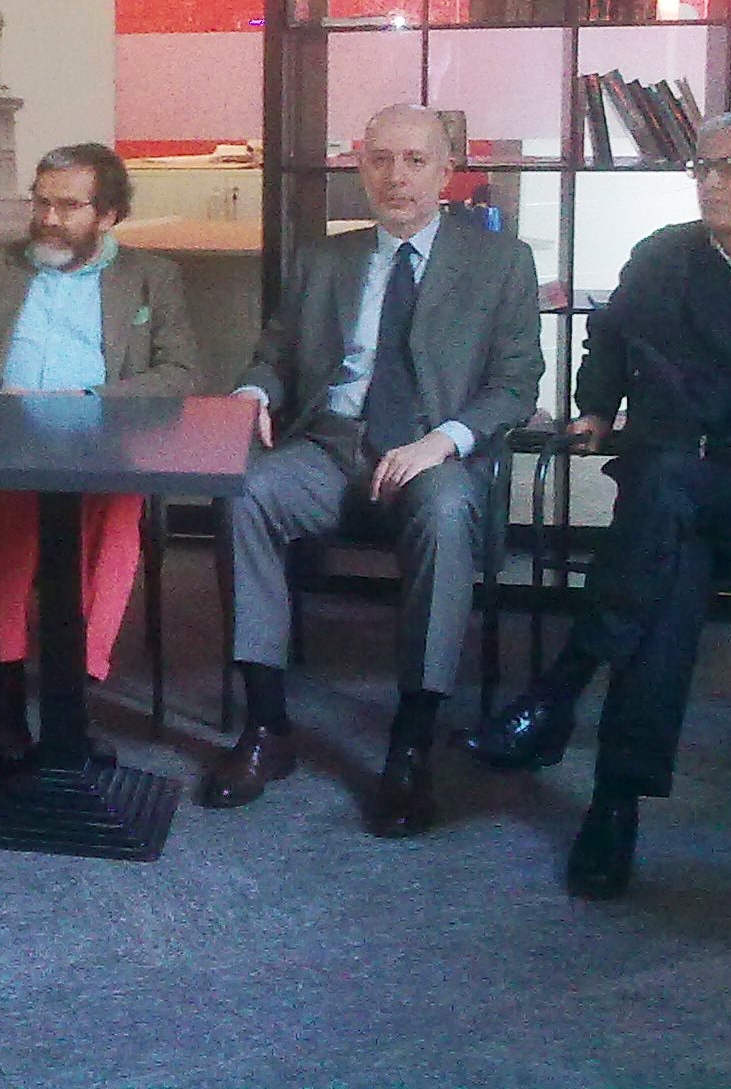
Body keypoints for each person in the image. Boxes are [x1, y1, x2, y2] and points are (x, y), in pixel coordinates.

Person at [465, 109, 731, 898]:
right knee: (670, 563)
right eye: (703, 165)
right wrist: (595, 407)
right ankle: (614, 800)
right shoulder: (663, 257)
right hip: (667, 517)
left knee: (663, 494)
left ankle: (563, 689)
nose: (712, 181)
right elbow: (608, 340)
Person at [205, 103, 543, 836]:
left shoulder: (501, 262)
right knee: (245, 494)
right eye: (381, 160)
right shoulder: (323, 260)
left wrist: (444, 440)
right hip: (331, 447)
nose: (397, 177)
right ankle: (267, 727)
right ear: (360, 168)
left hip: (429, 452)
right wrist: (253, 390)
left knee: (446, 513)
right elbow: (276, 355)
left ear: (447, 173)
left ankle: (411, 742)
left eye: (416, 161)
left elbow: (517, 383)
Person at [0, 142, 201, 761]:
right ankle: (4, 685)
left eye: (69, 207)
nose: (48, 219)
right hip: (4, 439)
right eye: (41, 202)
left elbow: (178, 372)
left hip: (105, 440)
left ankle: (76, 688)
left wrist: (90, 398)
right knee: (5, 516)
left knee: (115, 517)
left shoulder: (152, 277)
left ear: (109, 215)